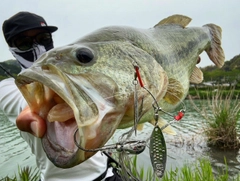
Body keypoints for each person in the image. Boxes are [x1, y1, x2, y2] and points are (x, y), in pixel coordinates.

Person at [0, 11, 121, 181]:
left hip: (107, 174)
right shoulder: (6, 87)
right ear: (12, 49)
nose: (38, 46)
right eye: (24, 43)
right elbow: (29, 105)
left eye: (43, 39)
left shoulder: (74, 74)